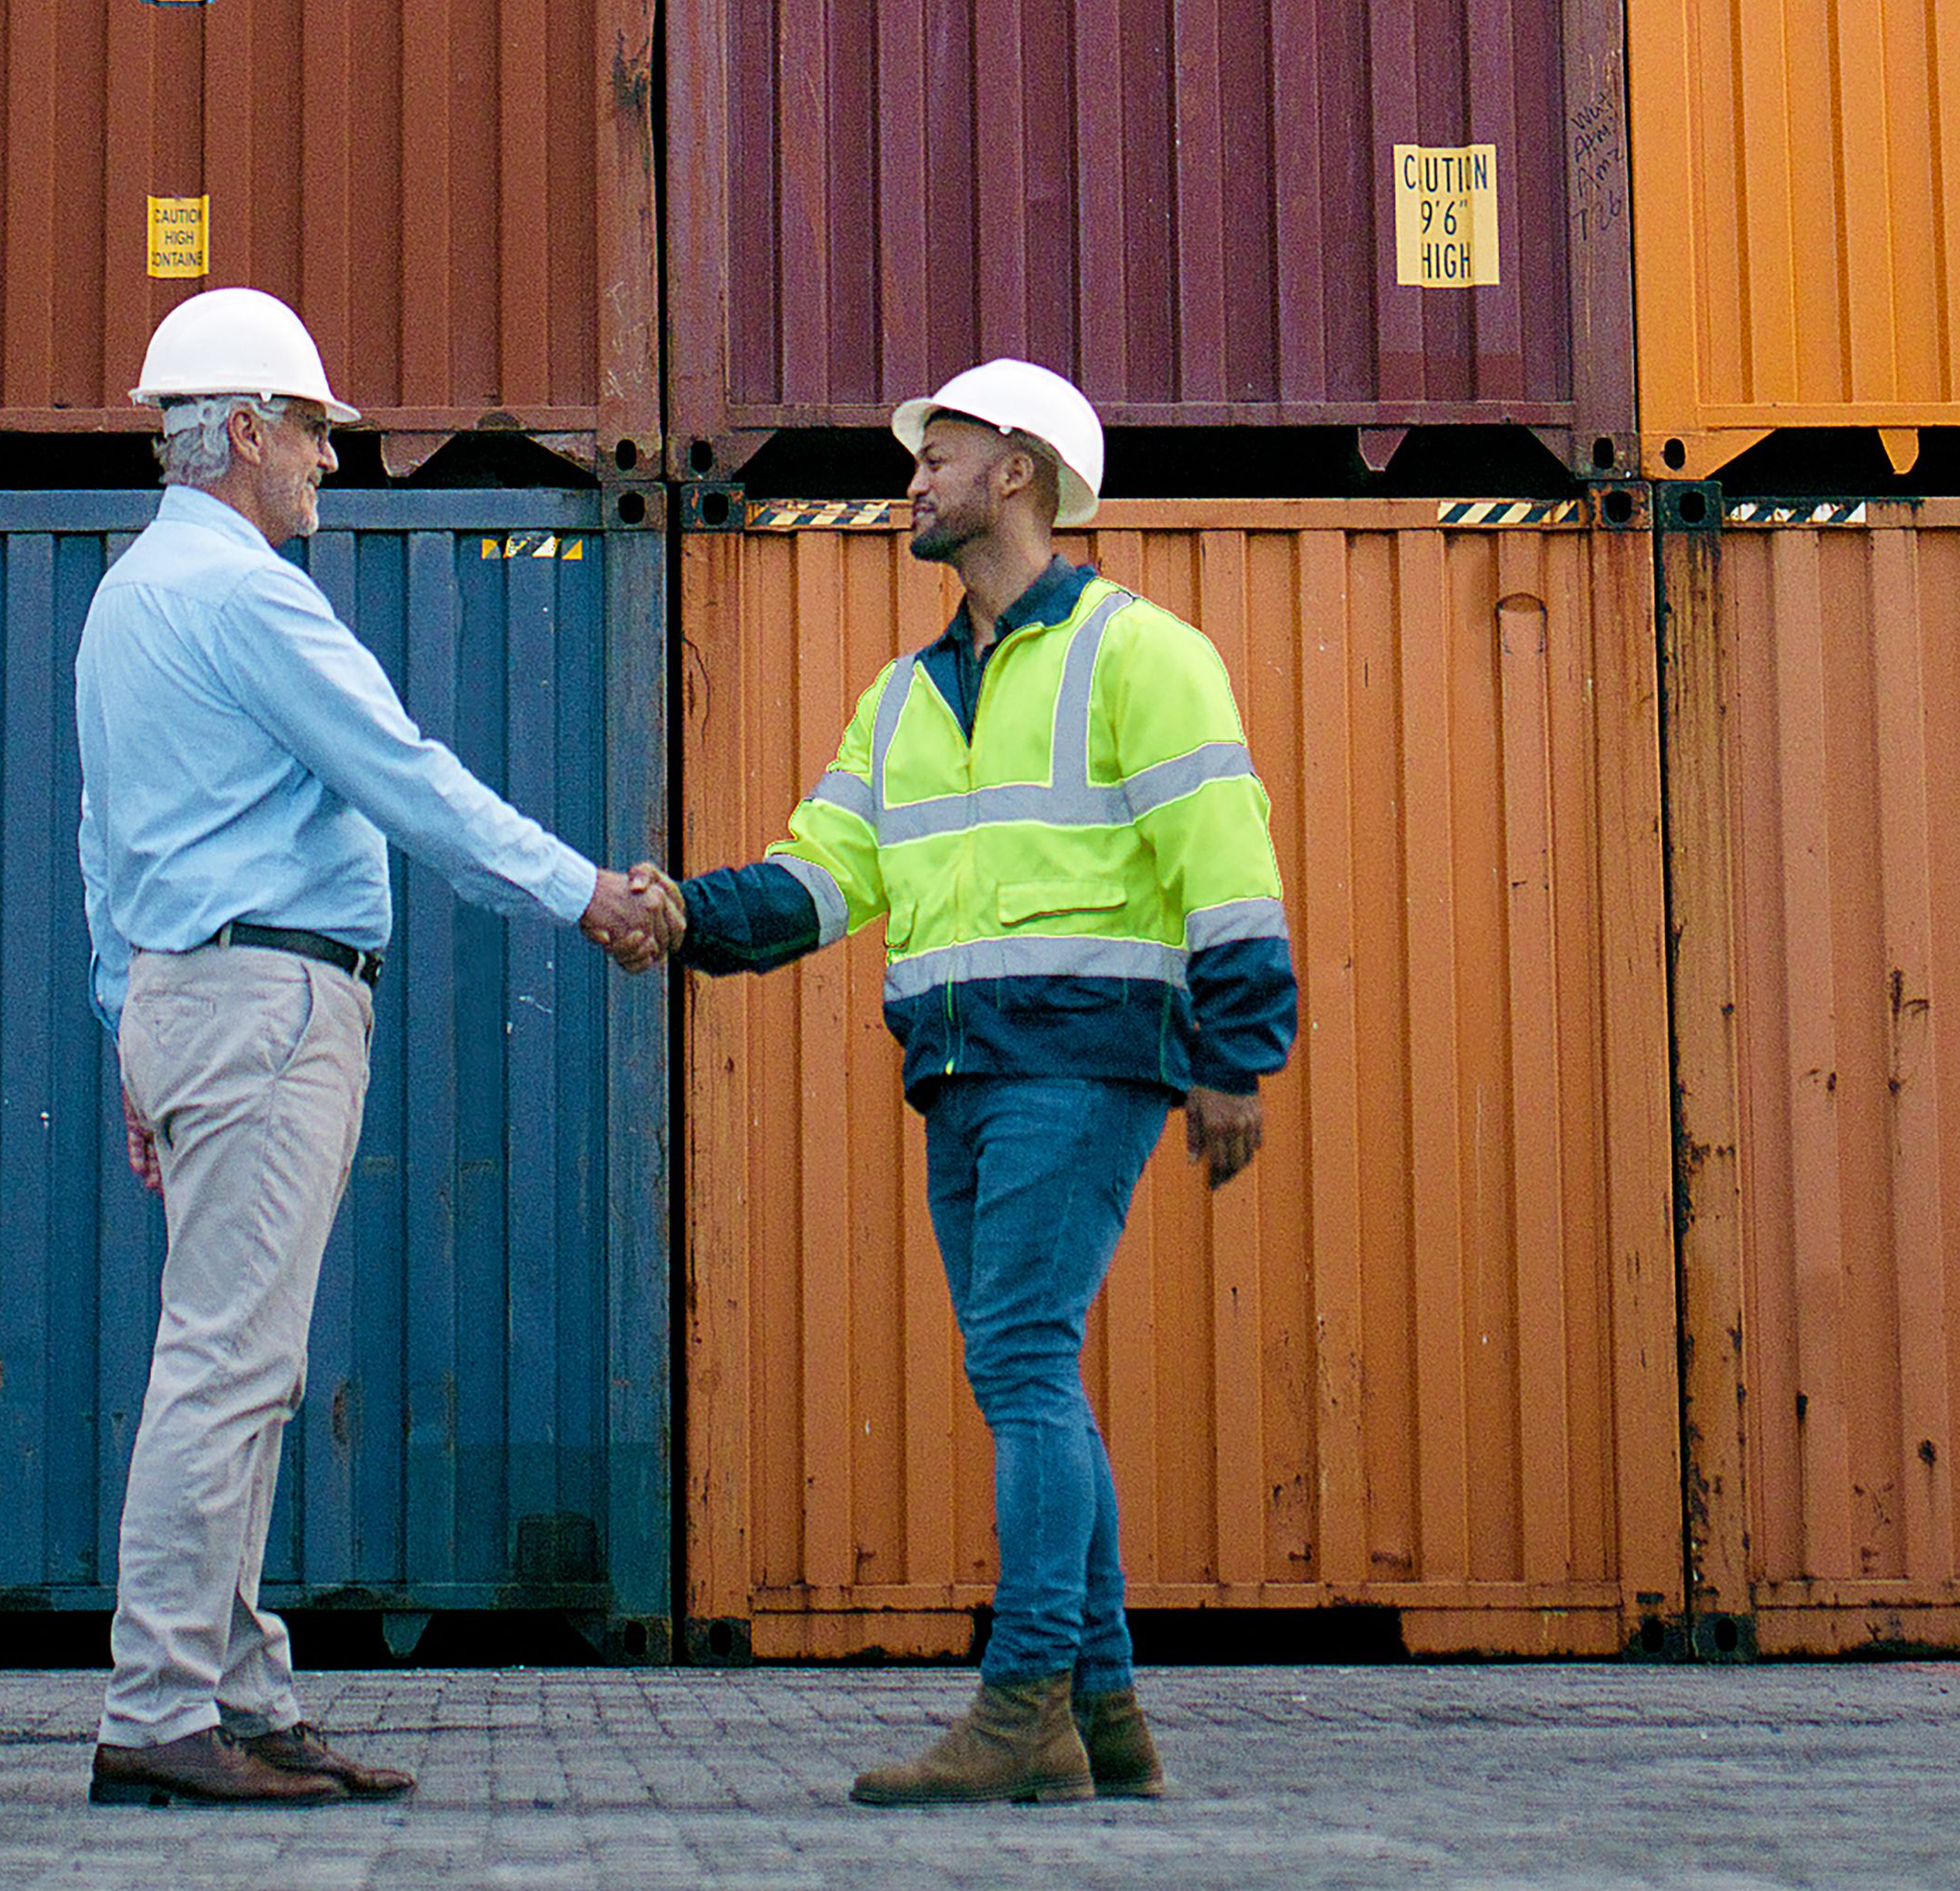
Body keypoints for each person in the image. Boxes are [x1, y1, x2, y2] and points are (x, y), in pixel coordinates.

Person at [70, 285, 679, 1809]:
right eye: (319, 431)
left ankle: (242, 1692)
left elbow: (101, 846)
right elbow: (404, 777)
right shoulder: (248, 597)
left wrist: (122, 1031)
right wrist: (585, 890)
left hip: (181, 997)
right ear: (251, 428)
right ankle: (158, 1707)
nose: (332, 462)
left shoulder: (126, 598)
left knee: (245, 1366)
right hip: (270, 1002)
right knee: (225, 1368)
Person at [653, 358, 1287, 1807]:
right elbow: (825, 877)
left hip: (1084, 1057)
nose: (912, 479)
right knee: (1036, 1372)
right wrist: (688, 914)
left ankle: (1025, 1705)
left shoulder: (1143, 653)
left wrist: (1237, 1058)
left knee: (1017, 1365)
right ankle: (1108, 1711)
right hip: (959, 1069)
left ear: (1017, 468)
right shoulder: (906, 698)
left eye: (935, 453)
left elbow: (1228, 863)